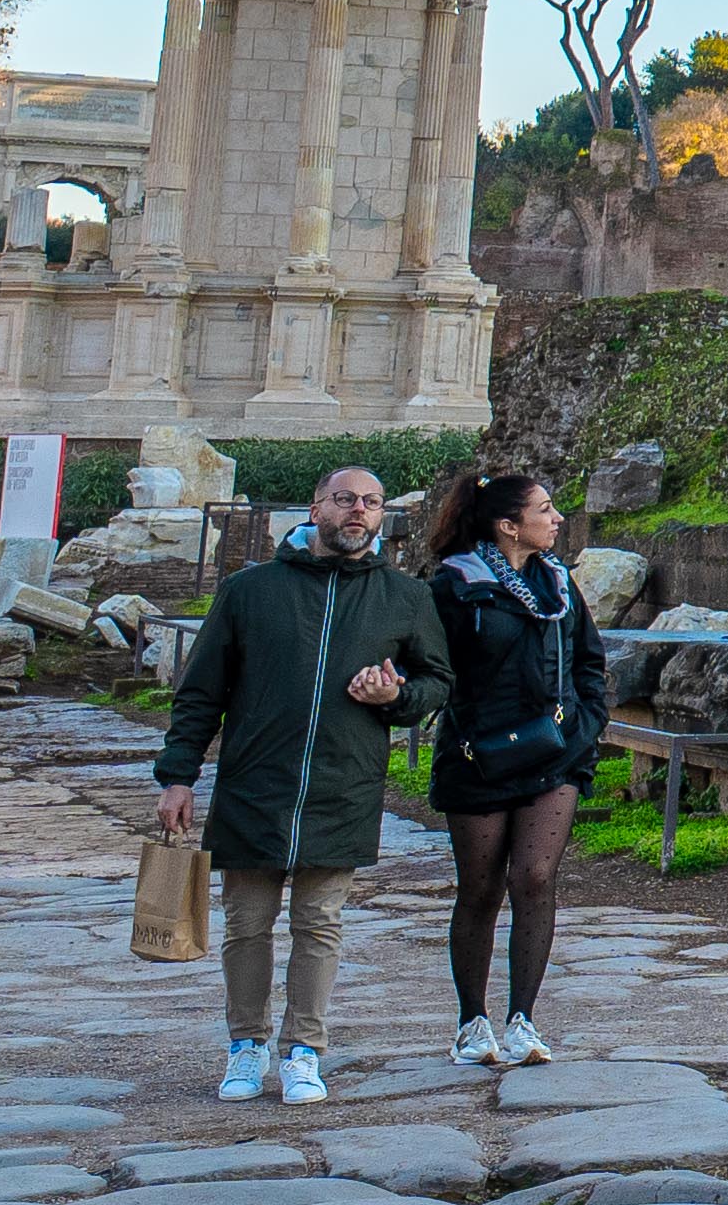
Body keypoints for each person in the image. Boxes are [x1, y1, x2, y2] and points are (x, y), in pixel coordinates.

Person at [156, 462, 449, 1104]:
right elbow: (201, 691)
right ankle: (245, 1045)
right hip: (254, 785)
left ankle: (304, 1051)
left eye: (371, 502)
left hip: (344, 785)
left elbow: (436, 682)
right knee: (247, 924)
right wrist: (178, 775)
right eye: (345, 499)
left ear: (381, 518)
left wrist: (395, 696)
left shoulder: (406, 597)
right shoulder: (249, 590)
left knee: (320, 923)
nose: (358, 511)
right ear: (315, 508)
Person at [422, 466, 610, 1073]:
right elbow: (432, 665)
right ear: (509, 525)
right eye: (545, 510)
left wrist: (587, 724)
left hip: (555, 750)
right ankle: (471, 1022)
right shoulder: (455, 584)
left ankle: (523, 1018)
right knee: (480, 888)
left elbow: (589, 658)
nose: (557, 520)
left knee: (535, 879)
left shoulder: (558, 581)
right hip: (480, 755)